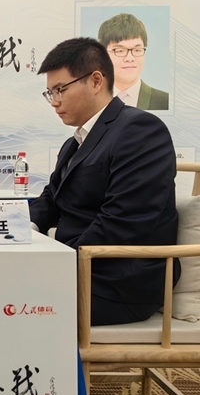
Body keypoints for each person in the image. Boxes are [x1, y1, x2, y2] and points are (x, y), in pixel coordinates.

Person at [29, 37, 179, 326]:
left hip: (119, 281)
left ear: (96, 80)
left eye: (60, 90)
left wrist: (58, 261)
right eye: (49, 93)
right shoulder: (75, 142)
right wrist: (16, 227)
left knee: (8, 302)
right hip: (82, 266)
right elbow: (50, 199)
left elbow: (123, 223)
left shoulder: (140, 129)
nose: (54, 102)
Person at [97, 13, 168, 110]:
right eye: (120, 51)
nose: (130, 58)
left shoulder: (164, 101)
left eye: (137, 50)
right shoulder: (88, 102)